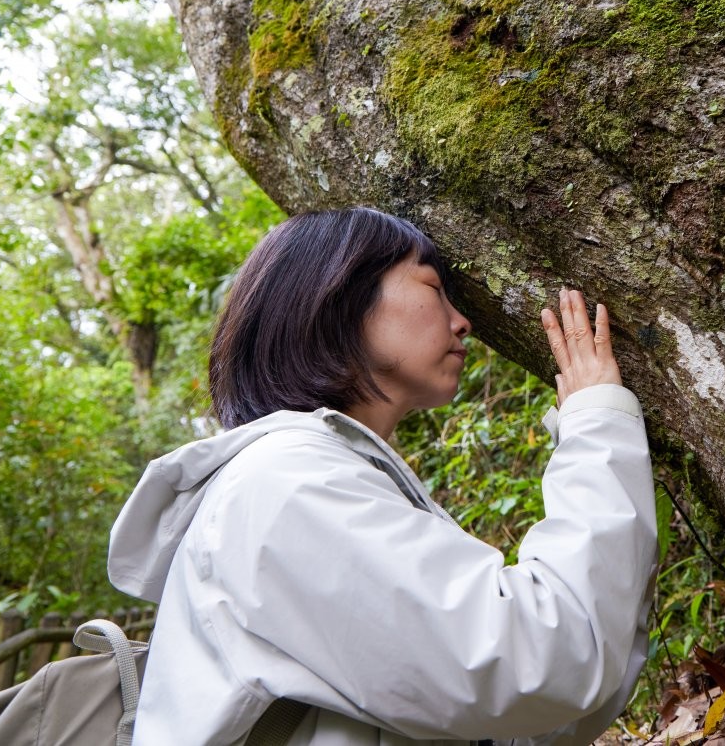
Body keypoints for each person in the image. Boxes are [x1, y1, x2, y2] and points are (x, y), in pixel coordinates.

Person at [107, 208, 656, 745]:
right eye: (433, 287)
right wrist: (596, 427)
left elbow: (531, 717)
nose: (462, 320)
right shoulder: (287, 485)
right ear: (340, 297)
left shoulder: (324, 479)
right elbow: (538, 662)